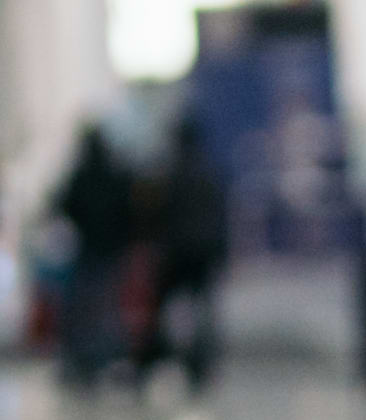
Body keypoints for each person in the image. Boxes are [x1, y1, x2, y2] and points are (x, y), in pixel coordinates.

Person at [50, 126, 137, 386]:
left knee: (85, 307)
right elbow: (128, 211)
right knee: (106, 306)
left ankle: (85, 358)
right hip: (109, 250)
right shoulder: (114, 174)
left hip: (89, 249)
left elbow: (63, 205)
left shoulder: (82, 176)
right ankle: (105, 357)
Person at [153, 119, 232, 391]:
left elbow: (161, 215)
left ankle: (175, 355)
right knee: (203, 309)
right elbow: (222, 216)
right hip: (205, 252)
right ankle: (201, 360)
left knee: (171, 308)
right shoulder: (210, 170)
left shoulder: (170, 172)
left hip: (178, 252)